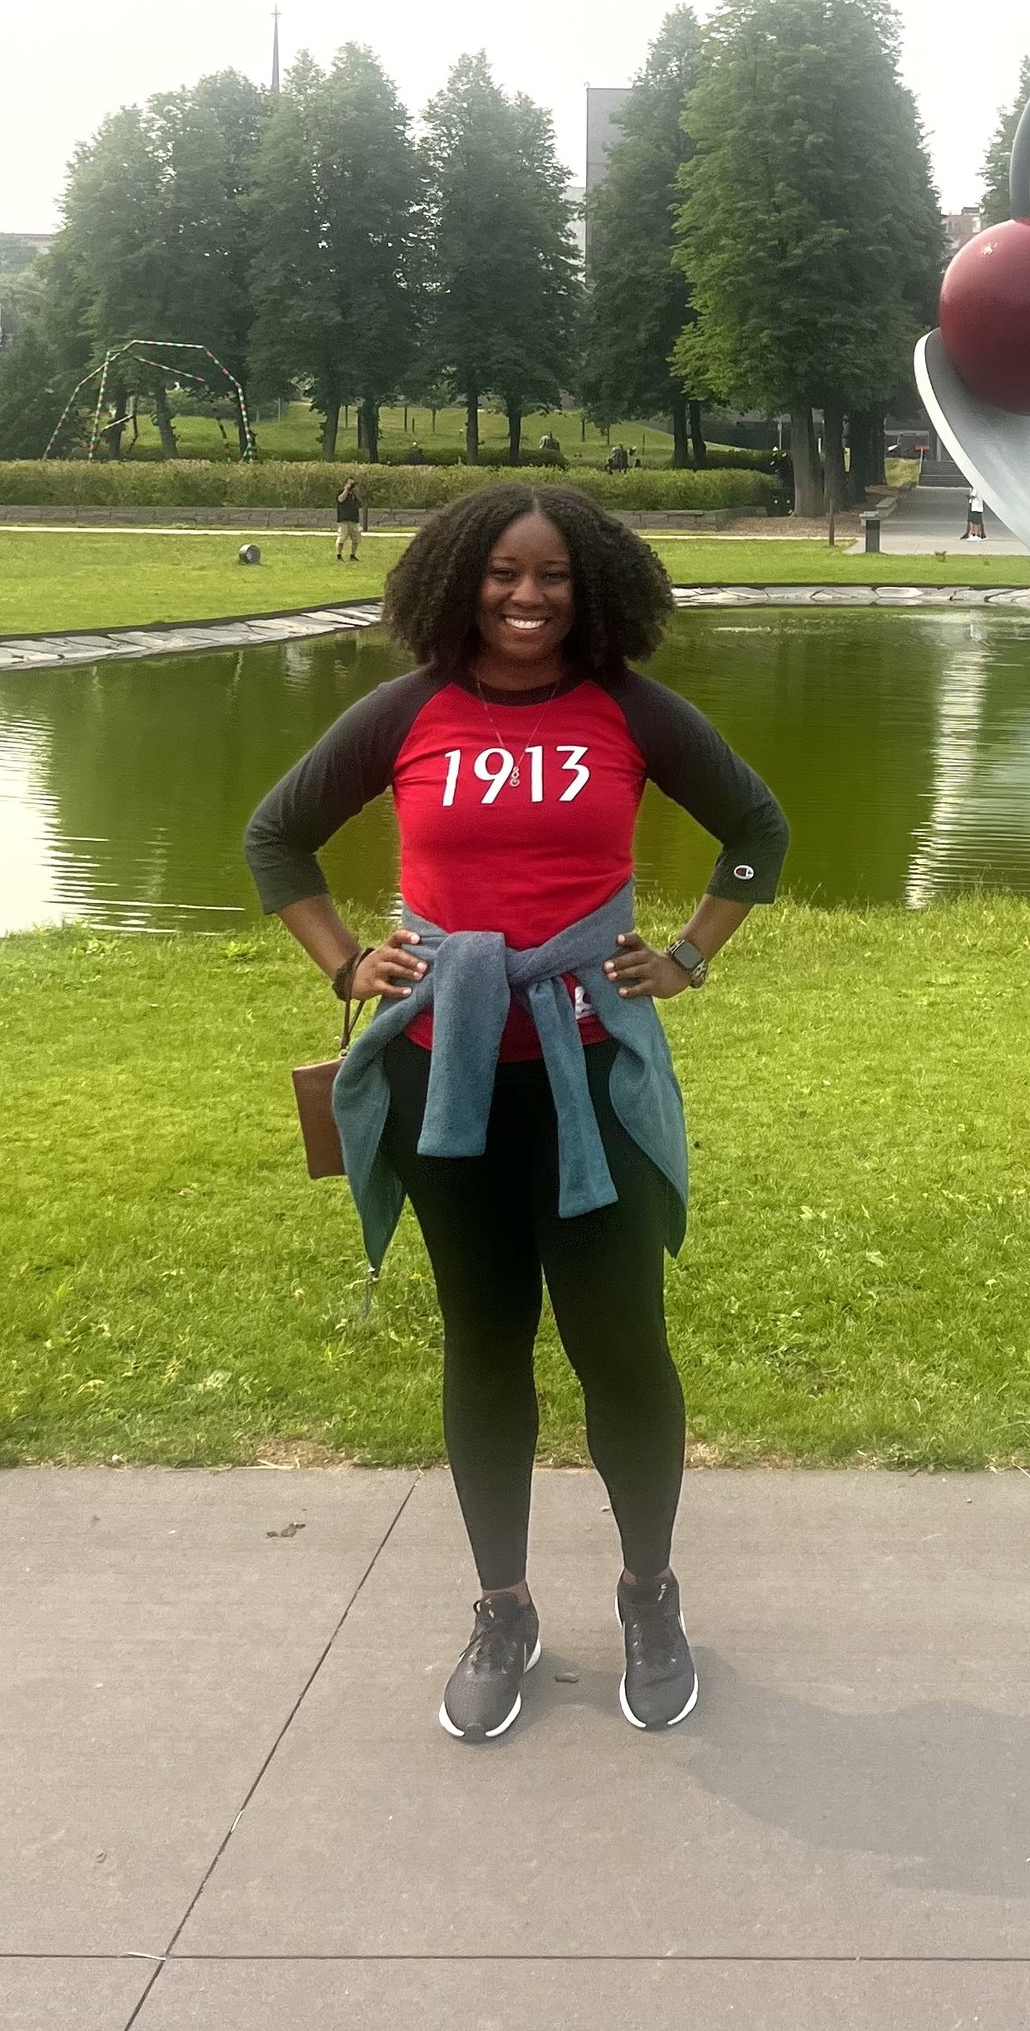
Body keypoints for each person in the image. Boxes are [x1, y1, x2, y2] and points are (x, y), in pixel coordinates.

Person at [244, 485, 787, 1745]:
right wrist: (343, 962)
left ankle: (650, 1593)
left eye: (551, 577)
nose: (527, 597)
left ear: (590, 589)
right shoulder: (409, 711)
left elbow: (757, 825)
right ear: (457, 581)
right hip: (448, 1078)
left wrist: (694, 954)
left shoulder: (629, 711)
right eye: (501, 573)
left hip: (591, 1069)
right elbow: (279, 837)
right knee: (483, 1341)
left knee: (620, 1345)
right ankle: (503, 1606)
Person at [333, 477, 365, 562]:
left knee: (356, 539)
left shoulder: (355, 495)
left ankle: (353, 555)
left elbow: (361, 504)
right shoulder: (341, 492)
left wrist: (356, 493)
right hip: (344, 519)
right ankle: (339, 555)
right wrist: (346, 490)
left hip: (354, 519)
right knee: (342, 538)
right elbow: (340, 499)